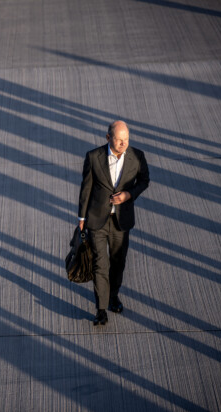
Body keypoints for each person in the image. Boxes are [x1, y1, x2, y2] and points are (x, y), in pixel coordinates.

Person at [78, 120, 150, 325]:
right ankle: (101, 309)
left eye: (126, 139)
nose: (123, 144)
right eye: (119, 140)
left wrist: (129, 194)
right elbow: (86, 189)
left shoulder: (137, 156)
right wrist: (81, 218)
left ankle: (113, 295)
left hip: (122, 221)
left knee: (118, 263)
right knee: (101, 264)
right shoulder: (93, 157)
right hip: (97, 221)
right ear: (108, 137)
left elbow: (144, 180)